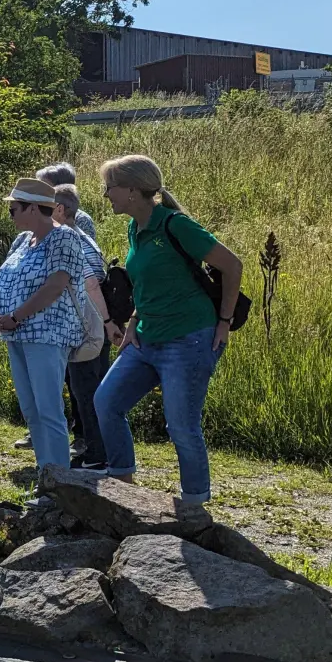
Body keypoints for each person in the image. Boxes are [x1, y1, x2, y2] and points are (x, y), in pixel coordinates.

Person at [95, 154, 242, 506]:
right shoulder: (135, 228)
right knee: (106, 401)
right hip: (146, 337)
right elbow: (146, 283)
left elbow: (233, 266)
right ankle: (123, 489)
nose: (106, 195)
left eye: (109, 187)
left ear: (132, 190)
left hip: (189, 338)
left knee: (181, 426)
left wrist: (224, 322)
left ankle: (194, 505)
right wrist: (133, 322)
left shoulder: (176, 225)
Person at [0, 178, 87, 491]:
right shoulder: (22, 240)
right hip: (16, 334)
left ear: (33, 208)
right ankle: (46, 474)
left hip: (47, 334)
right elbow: (4, 278)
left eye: (14, 209)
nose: (10, 214)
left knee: (48, 409)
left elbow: (56, 285)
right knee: (31, 410)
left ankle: (59, 485)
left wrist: (16, 316)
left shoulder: (64, 237)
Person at [15, 161, 100, 452]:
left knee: (73, 382)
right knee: (48, 388)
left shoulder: (76, 221)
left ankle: (78, 438)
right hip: (32, 323)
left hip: (60, 320)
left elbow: (81, 270)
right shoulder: (28, 233)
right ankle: (43, 436)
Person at [55, 183, 122, 470]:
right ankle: (106, 451)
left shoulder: (68, 238)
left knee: (86, 392)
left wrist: (106, 323)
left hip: (88, 327)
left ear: (60, 210)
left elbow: (91, 284)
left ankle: (97, 454)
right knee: (96, 390)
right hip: (97, 325)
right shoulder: (85, 237)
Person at [37, 162, 98, 240]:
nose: (38, 191)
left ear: (62, 189)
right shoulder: (37, 213)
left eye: (44, 186)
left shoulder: (81, 220)